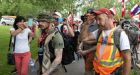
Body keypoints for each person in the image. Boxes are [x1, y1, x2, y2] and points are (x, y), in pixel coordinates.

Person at [83, 8, 131, 75]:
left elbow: (127, 60)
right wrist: (87, 24)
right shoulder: (99, 32)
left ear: (109, 18)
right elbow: (84, 38)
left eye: (99, 19)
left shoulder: (120, 34)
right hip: (98, 72)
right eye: (96, 19)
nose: (97, 22)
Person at [77, 8, 98, 75]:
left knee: (91, 66)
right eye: (87, 15)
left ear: (94, 15)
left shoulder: (98, 24)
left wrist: (88, 42)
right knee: (87, 65)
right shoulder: (84, 24)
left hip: (93, 50)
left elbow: (99, 40)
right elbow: (81, 37)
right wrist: (79, 45)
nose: (87, 17)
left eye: (89, 15)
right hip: (84, 49)